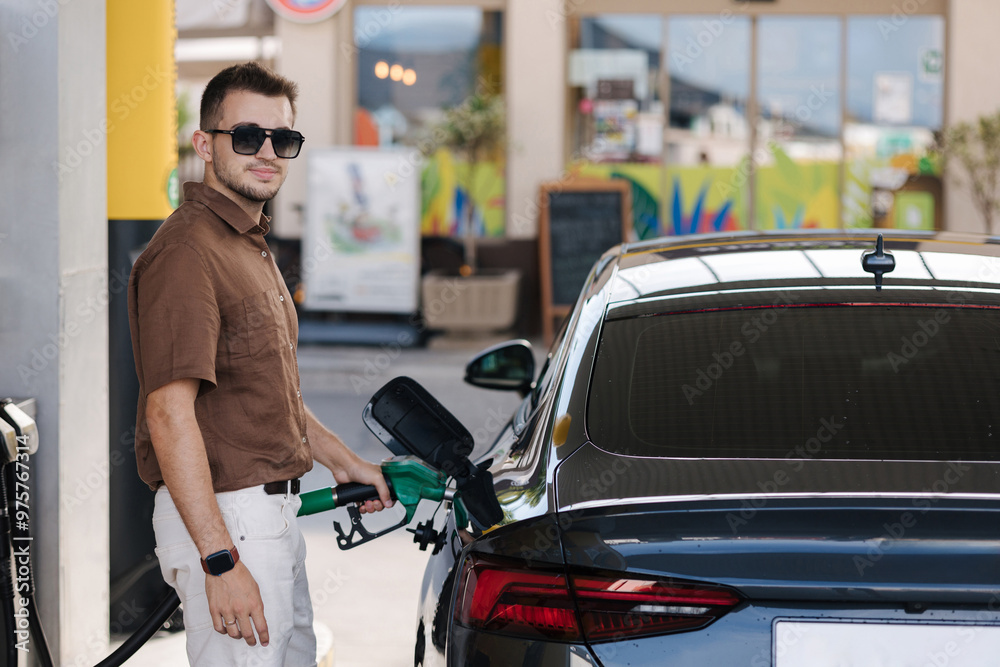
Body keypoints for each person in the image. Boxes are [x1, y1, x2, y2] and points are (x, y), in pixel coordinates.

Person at [127, 62, 393, 666]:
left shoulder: (244, 241)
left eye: (283, 139)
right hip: (230, 522)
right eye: (246, 136)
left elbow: (266, 391)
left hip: (266, 518)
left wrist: (348, 463)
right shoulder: (188, 253)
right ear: (204, 145)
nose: (267, 152)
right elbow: (169, 413)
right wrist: (220, 560)